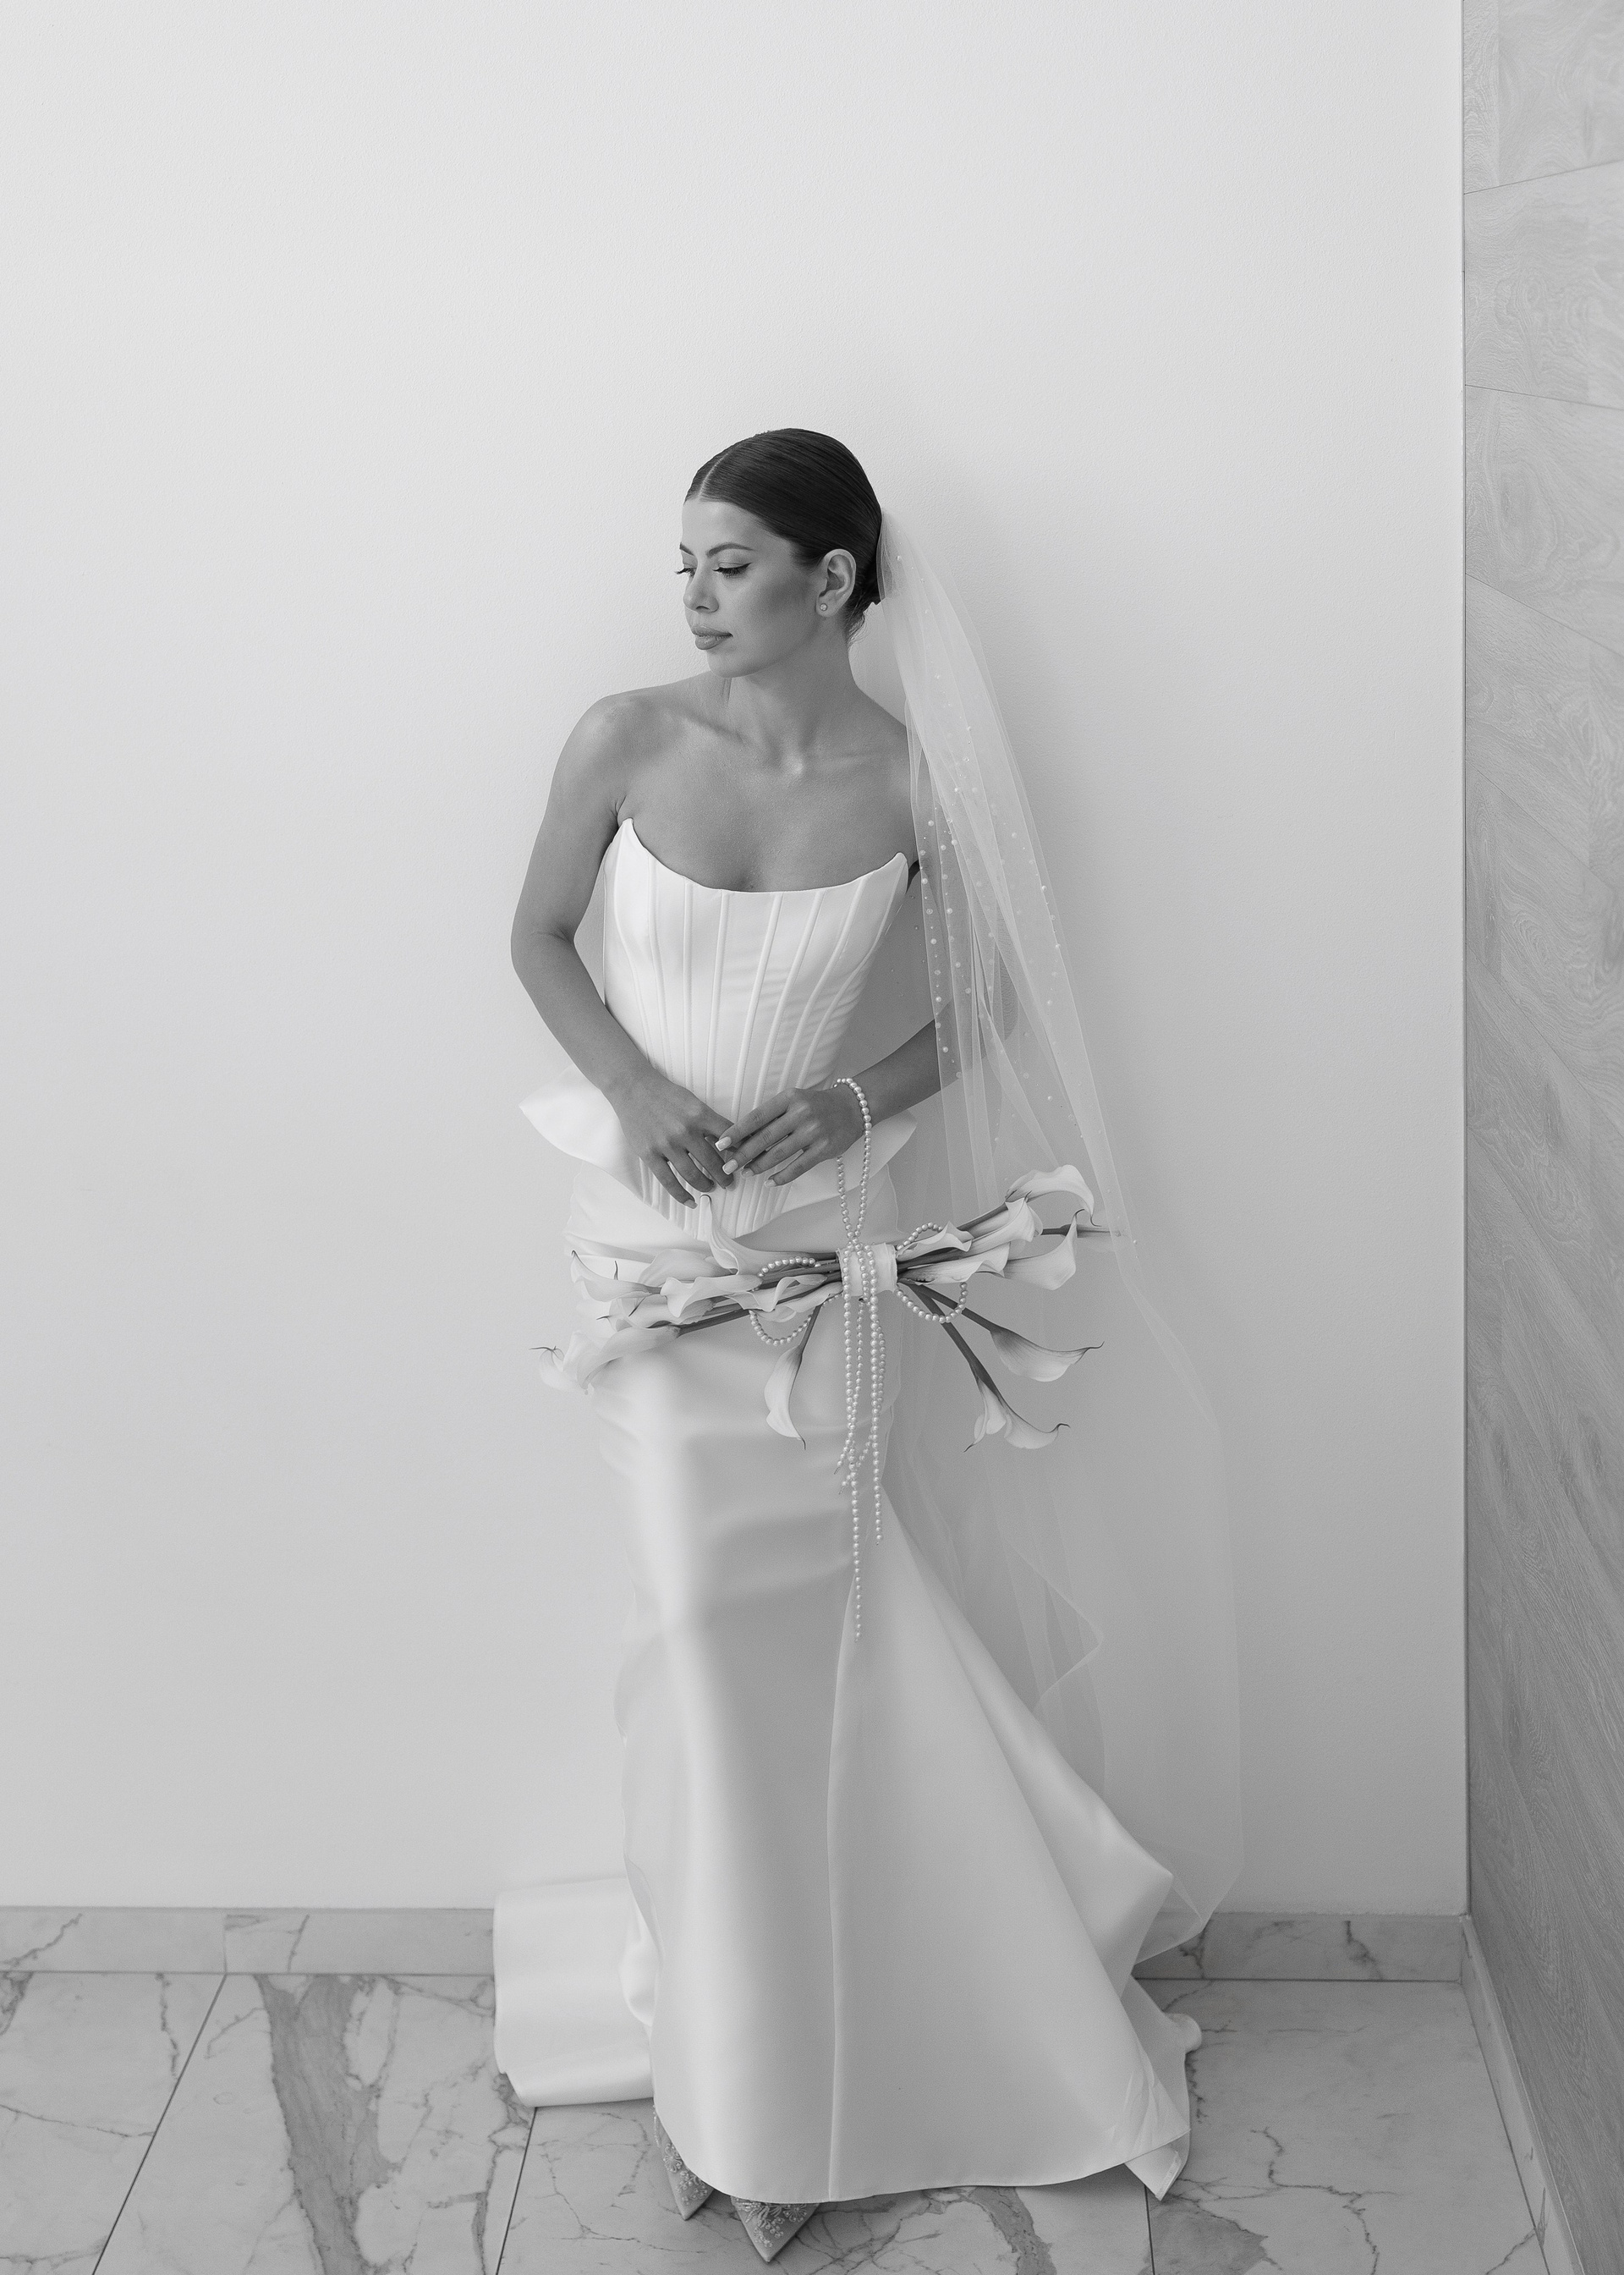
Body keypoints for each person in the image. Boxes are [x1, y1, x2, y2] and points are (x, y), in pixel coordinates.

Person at [498, 430, 1241, 2261]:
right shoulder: (622, 737)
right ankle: (735, 2052)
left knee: (813, 1636)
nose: (693, 594)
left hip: (824, 1260)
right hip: (645, 1257)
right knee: (697, 1631)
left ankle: (843, 2010)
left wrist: (847, 1100)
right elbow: (537, 936)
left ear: (831, 581)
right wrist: (638, 1092)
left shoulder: (913, 780)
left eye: (731, 563)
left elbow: (987, 996)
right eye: (684, 560)